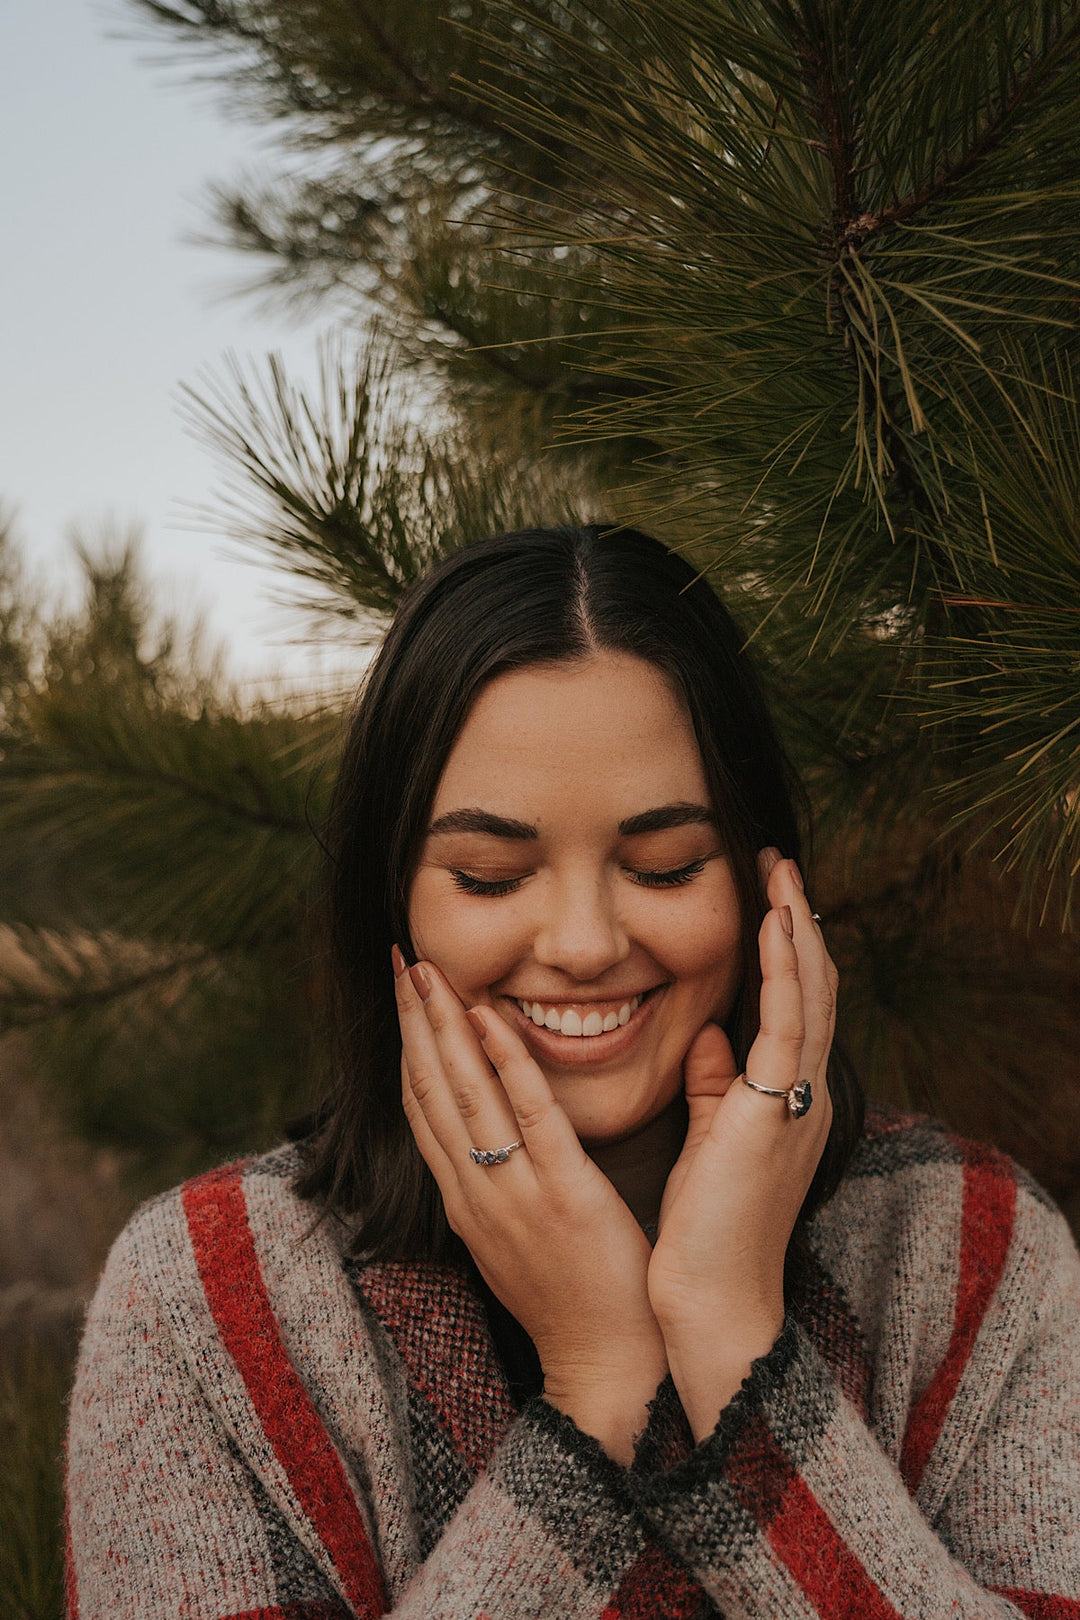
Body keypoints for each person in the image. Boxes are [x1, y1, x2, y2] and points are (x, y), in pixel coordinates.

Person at [66, 526, 1079, 1619]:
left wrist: (735, 1342)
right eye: (492, 876)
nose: (587, 944)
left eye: (664, 865)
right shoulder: (211, 1300)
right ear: (392, 904)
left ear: (763, 883)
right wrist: (596, 1385)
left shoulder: (971, 1245)